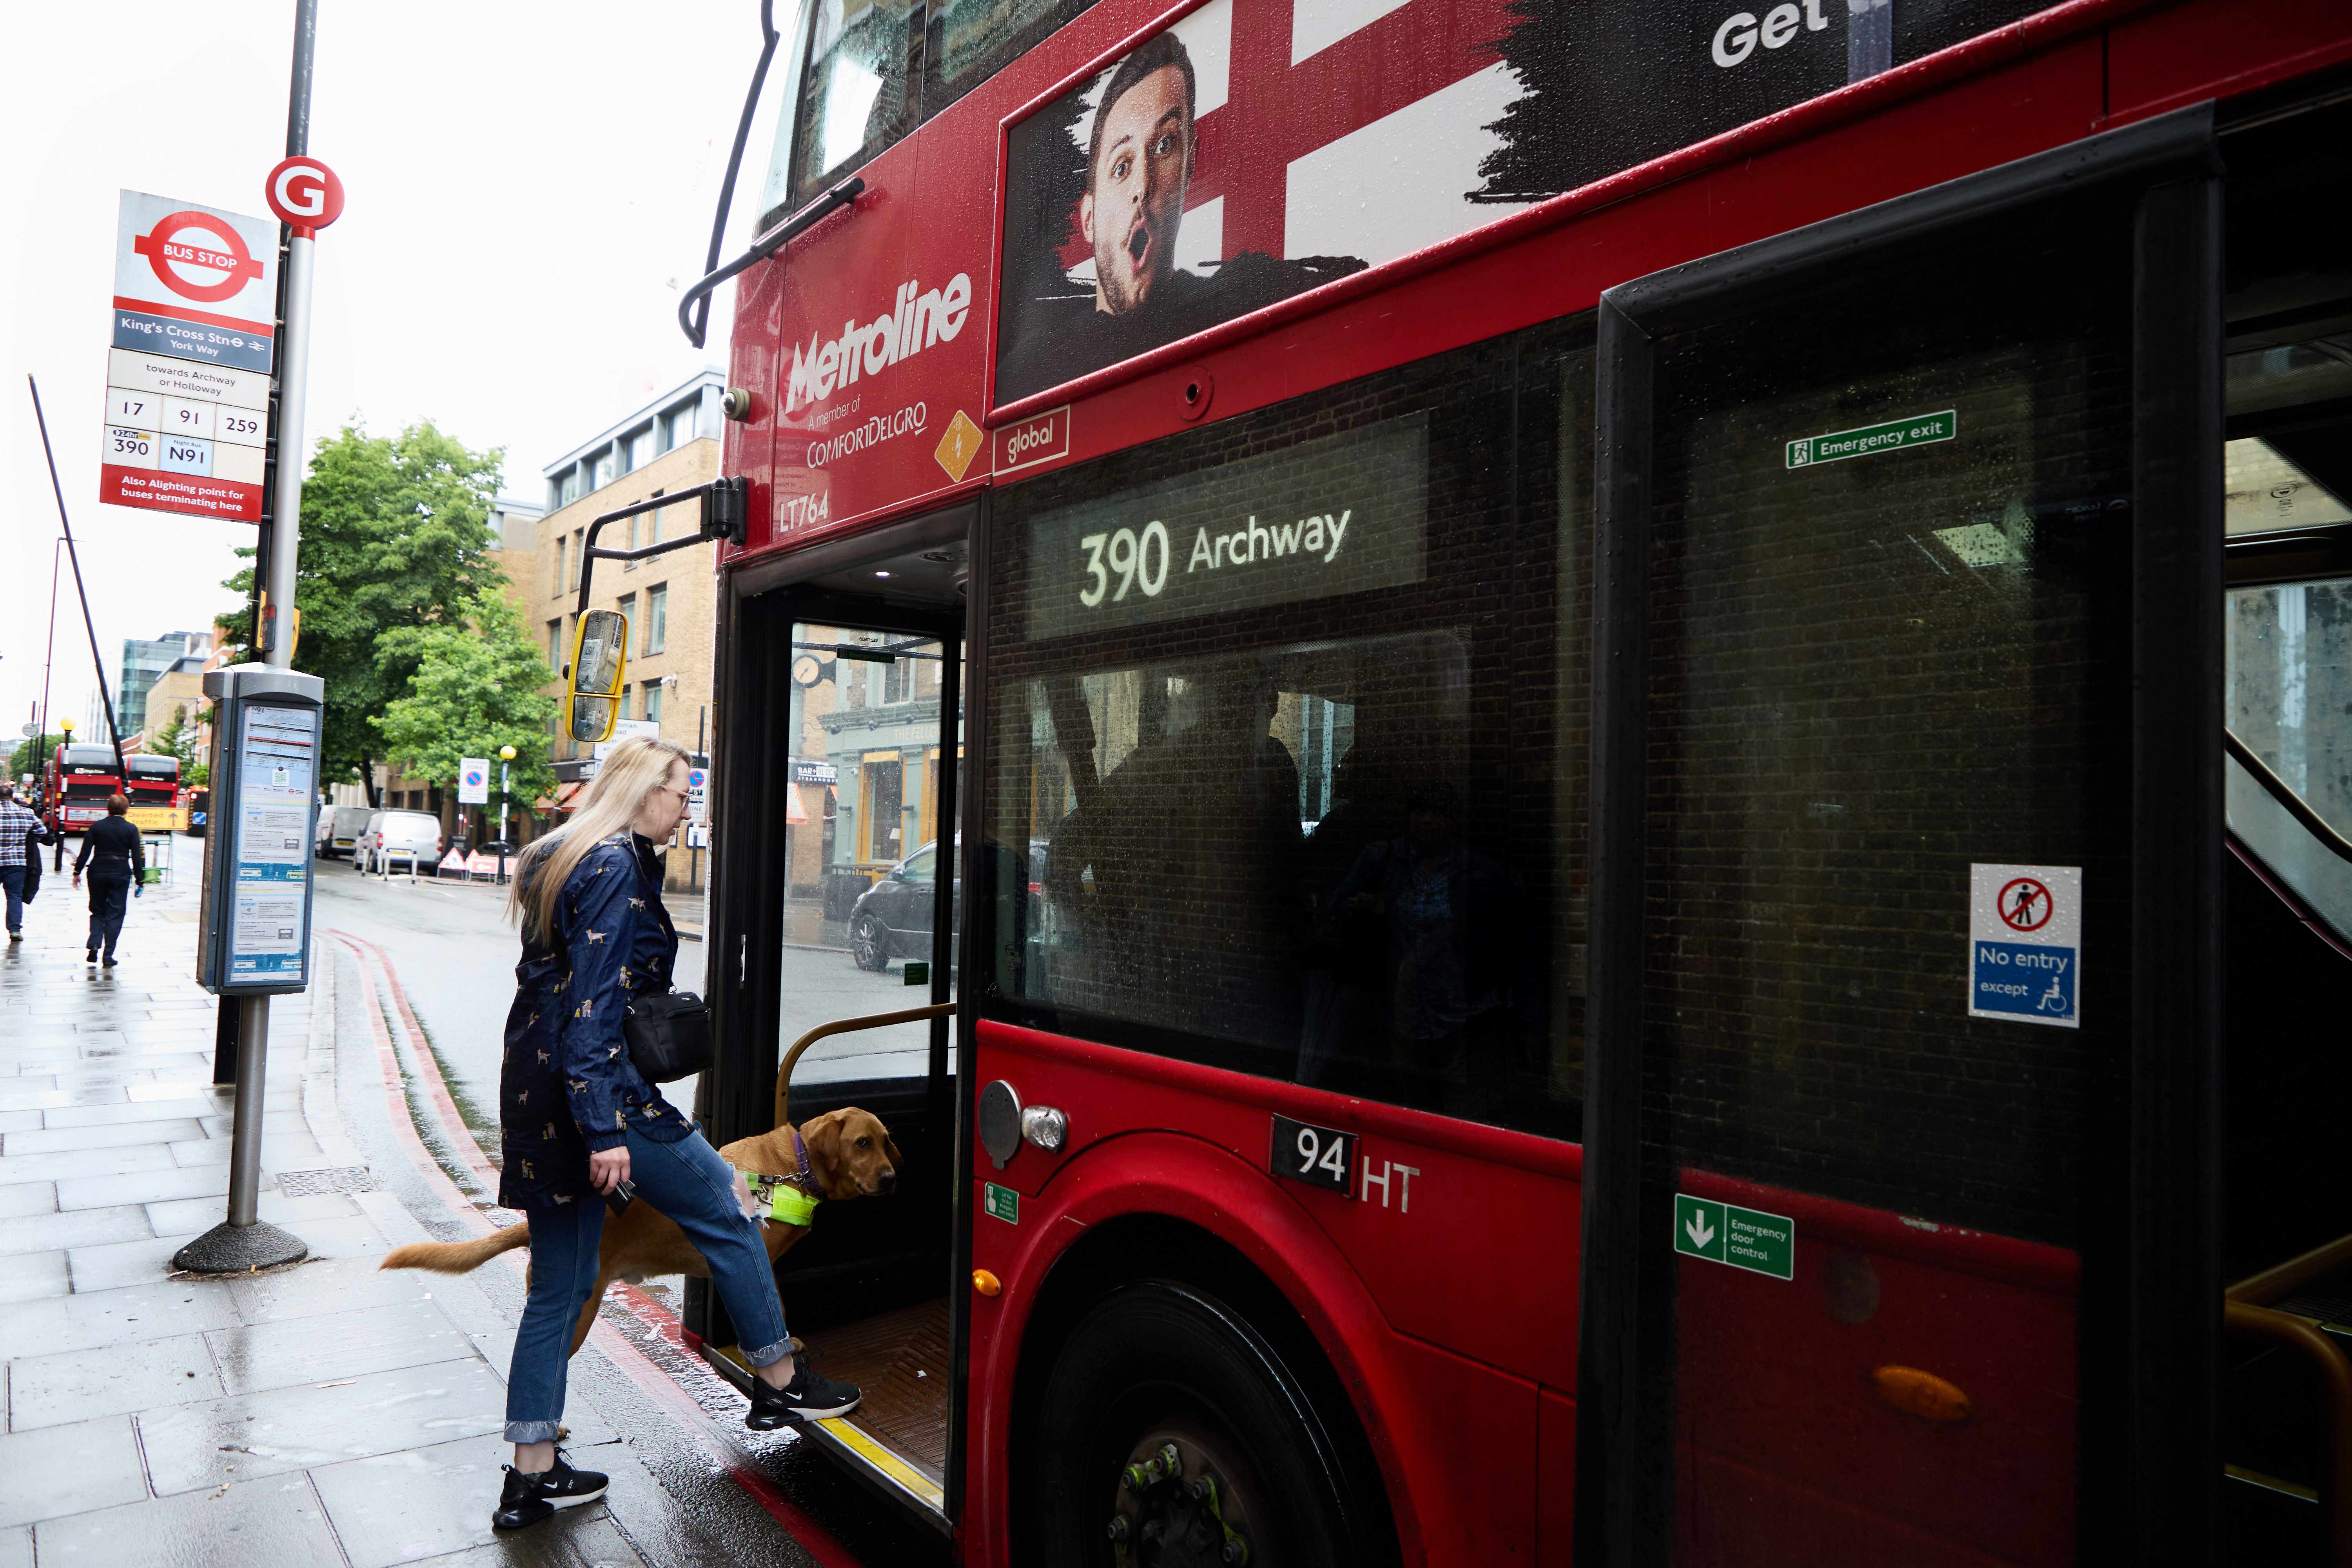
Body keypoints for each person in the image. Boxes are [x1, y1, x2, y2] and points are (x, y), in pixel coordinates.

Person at [490, 735, 859, 1532]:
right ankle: (780, 1378)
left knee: (558, 1286)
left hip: (535, 1093)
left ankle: (530, 1475)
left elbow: (548, 997)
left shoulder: (558, 852)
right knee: (730, 1207)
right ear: (639, 791)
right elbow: (593, 1007)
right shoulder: (616, 864)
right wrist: (602, 1129)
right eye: (680, 793)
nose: (686, 807)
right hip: (605, 1099)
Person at [994, 31, 1365, 403]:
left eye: (1164, 146)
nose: (1144, 185)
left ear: (1190, 164)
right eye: (1122, 167)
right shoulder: (1033, 369)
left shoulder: (1235, 296)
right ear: (1089, 219)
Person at [71, 795, 143, 967]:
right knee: (116, 914)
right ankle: (108, 955)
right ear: (126, 810)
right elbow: (137, 856)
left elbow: (85, 851)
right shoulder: (131, 829)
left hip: (97, 871)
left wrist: (77, 871)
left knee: (97, 910)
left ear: (108, 809)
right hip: (120, 872)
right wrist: (140, 879)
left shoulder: (97, 827)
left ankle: (95, 944)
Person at [0, 785, 53, 943]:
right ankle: (15, 930)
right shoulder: (27, 813)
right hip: (17, 863)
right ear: (12, 797)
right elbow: (42, 832)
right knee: (14, 896)